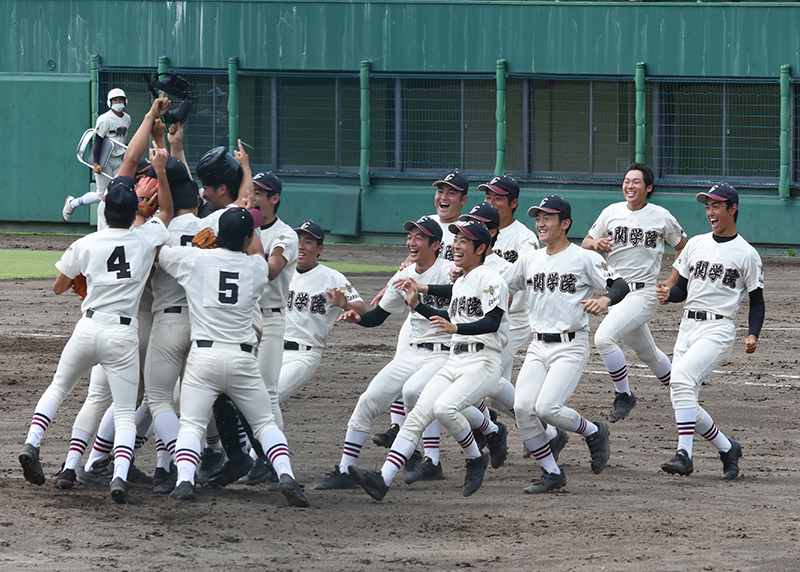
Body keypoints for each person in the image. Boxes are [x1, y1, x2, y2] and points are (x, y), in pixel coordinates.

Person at [19, 96, 175, 504]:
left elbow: (58, 286)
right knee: (124, 410)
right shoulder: (147, 238)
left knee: (61, 388)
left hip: (89, 324)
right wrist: (163, 163)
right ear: (140, 204)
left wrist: (78, 283)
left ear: (106, 205)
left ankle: (36, 443)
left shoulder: (89, 240)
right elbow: (167, 215)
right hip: (129, 330)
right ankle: (118, 475)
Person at [157, 207, 309, 506]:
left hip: (203, 359)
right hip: (243, 360)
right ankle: (285, 473)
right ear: (246, 238)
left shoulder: (194, 260)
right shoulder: (256, 268)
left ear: (215, 235)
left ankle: (185, 480)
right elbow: (256, 252)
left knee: (192, 424)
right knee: (264, 423)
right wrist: (250, 232)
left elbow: (159, 252)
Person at [348, 220, 509, 500]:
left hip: (483, 361)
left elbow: (492, 322)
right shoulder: (461, 282)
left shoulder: (491, 279)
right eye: (456, 240)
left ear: (481, 248)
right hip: (454, 361)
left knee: (445, 408)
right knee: (417, 416)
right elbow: (449, 316)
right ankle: (382, 479)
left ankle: (475, 457)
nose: (456, 245)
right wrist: (417, 304)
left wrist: (455, 328)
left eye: (464, 241)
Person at [313, 216, 457, 490]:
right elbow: (378, 316)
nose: (412, 242)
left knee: (414, 392)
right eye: (410, 236)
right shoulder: (404, 275)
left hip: (444, 354)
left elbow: (459, 295)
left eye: (419, 237)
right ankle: (345, 469)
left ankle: (419, 454)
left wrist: (421, 294)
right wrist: (356, 316)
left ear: (436, 244)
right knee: (369, 399)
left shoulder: (449, 270)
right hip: (413, 352)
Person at [503, 195, 628, 493]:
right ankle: (552, 472)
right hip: (538, 345)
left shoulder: (584, 258)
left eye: (548, 217)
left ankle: (595, 431)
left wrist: (604, 299)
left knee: (546, 408)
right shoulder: (530, 259)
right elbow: (499, 286)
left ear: (565, 223)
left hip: (570, 346)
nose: (541, 223)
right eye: (538, 217)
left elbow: (620, 284)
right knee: (522, 407)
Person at [656, 183, 763, 479]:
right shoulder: (696, 244)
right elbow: (682, 289)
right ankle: (727, 447)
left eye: (716, 206)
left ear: (733, 209)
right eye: (707, 207)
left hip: (718, 329)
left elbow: (757, 302)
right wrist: (669, 294)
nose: (710, 212)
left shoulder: (747, 254)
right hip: (687, 326)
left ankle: (684, 454)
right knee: (683, 395)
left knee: (680, 380)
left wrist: (753, 333)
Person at [371, 168, 470, 448]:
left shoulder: (466, 227)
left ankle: (486, 425)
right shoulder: (426, 224)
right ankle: (399, 428)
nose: (443, 196)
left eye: (451, 192)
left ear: (463, 199)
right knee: (404, 364)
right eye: (441, 190)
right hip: (419, 309)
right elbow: (413, 260)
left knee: (456, 386)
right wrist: (392, 284)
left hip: (453, 314)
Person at [582, 163, 687, 422]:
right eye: (627, 181)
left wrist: (672, 280)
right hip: (617, 292)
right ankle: (683, 393)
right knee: (648, 353)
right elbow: (585, 242)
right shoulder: (611, 212)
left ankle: (624, 394)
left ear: (648, 187)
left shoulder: (661, 215)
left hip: (644, 293)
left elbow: (685, 247)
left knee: (604, 339)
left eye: (636, 182)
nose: (629, 185)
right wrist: (595, 243)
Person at [276, 220, 365, 403]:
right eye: (297, 240)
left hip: (302, 354)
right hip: (270, 349)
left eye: (308, 242)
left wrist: (345, 304)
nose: (301, 246)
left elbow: (361, 309)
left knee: (267, 400)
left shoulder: (332, 278)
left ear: (320, 249)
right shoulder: (279, 271)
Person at [63, 88, 131, 228]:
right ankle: (72, 204)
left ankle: (115, 226)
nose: (118, 102)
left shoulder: (127, 118)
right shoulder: (104, 119)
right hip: (104, 160)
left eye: (120, 100)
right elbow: (98, 142)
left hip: (119, 160)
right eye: (115, 100)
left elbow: (123, 140)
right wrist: (96, 163)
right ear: (109, 102)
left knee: (120, 190)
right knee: (101, 195)